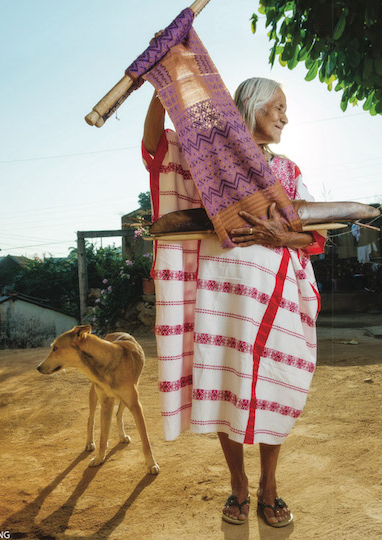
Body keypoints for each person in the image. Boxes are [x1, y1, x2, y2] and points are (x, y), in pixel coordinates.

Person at [142, 77, 325, 528]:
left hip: (277, 295)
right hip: (221, 296)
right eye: (277, 107)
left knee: (275, 388)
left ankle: (269, 485)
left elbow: (314, 235)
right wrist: (161, 81)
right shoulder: (206, 159)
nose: (285, 117)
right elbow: (156, 147)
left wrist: (281, 237)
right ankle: (239, 484)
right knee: (227, 386)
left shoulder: (288, 172)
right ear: (250, 108)